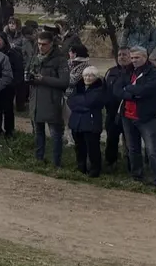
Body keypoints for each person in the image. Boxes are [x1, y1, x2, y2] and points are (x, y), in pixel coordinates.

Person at [118, 46, 156, 194]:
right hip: (127, 115)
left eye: (137, 58)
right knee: (133, 148)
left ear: (145, 57)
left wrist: (128, 89)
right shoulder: (127, 70)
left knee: (152, 150)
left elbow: (148, 90)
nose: (133, 60)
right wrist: (130, 94)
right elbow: (116, 89)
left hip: (146, 117)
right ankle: (137, 176)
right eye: (132, 58)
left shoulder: (154, 73)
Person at [27, 31, 69, 168]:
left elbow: (64, 81)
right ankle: (39, 159)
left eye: (44, 44)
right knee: (38, 132)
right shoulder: (35, 57)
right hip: (36, 100)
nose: (41, 47)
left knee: (55, 134)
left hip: (52, 101)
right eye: (39, 44)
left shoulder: (60, 59)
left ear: (51, 44)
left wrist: (44, 79)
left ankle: (56, 163)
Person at [68, 66, 106, 178]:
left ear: (96, 77)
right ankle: (81, 167)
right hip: (77, 122)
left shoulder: (100, 88)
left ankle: (95, 170)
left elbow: (90, 102)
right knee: (79, 147)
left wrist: (79, 103)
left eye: (91, 76)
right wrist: (82, 104)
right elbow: (71, 102)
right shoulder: (78, 87)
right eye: (85, 75)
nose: (88, 78)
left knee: (93, 147)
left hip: (91, 123)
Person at [104, 48, 132, 168]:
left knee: (130, 140)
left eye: (124, 54)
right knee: (111, 138)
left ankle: (132, 164)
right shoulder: (111, 72)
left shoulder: (134, 72)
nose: (121, 57)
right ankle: (111, 162)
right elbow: (104, 90)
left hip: (128, 111)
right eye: (119, 54)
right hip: (112, 111)